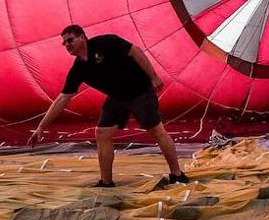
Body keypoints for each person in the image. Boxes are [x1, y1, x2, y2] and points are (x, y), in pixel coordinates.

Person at [28, 24, 189, 188]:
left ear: (82, 37)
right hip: (117, 97)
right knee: (102, 133)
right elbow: (63, 98)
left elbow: (135, 51)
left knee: (156, 130)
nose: (67, 45)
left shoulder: (106, 43)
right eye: (64, 43)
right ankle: (106, 182)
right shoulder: (78, 68)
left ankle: (177, 174)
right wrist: (41, 127)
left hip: (139, 90)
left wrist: (153, 76)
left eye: (70, 40)